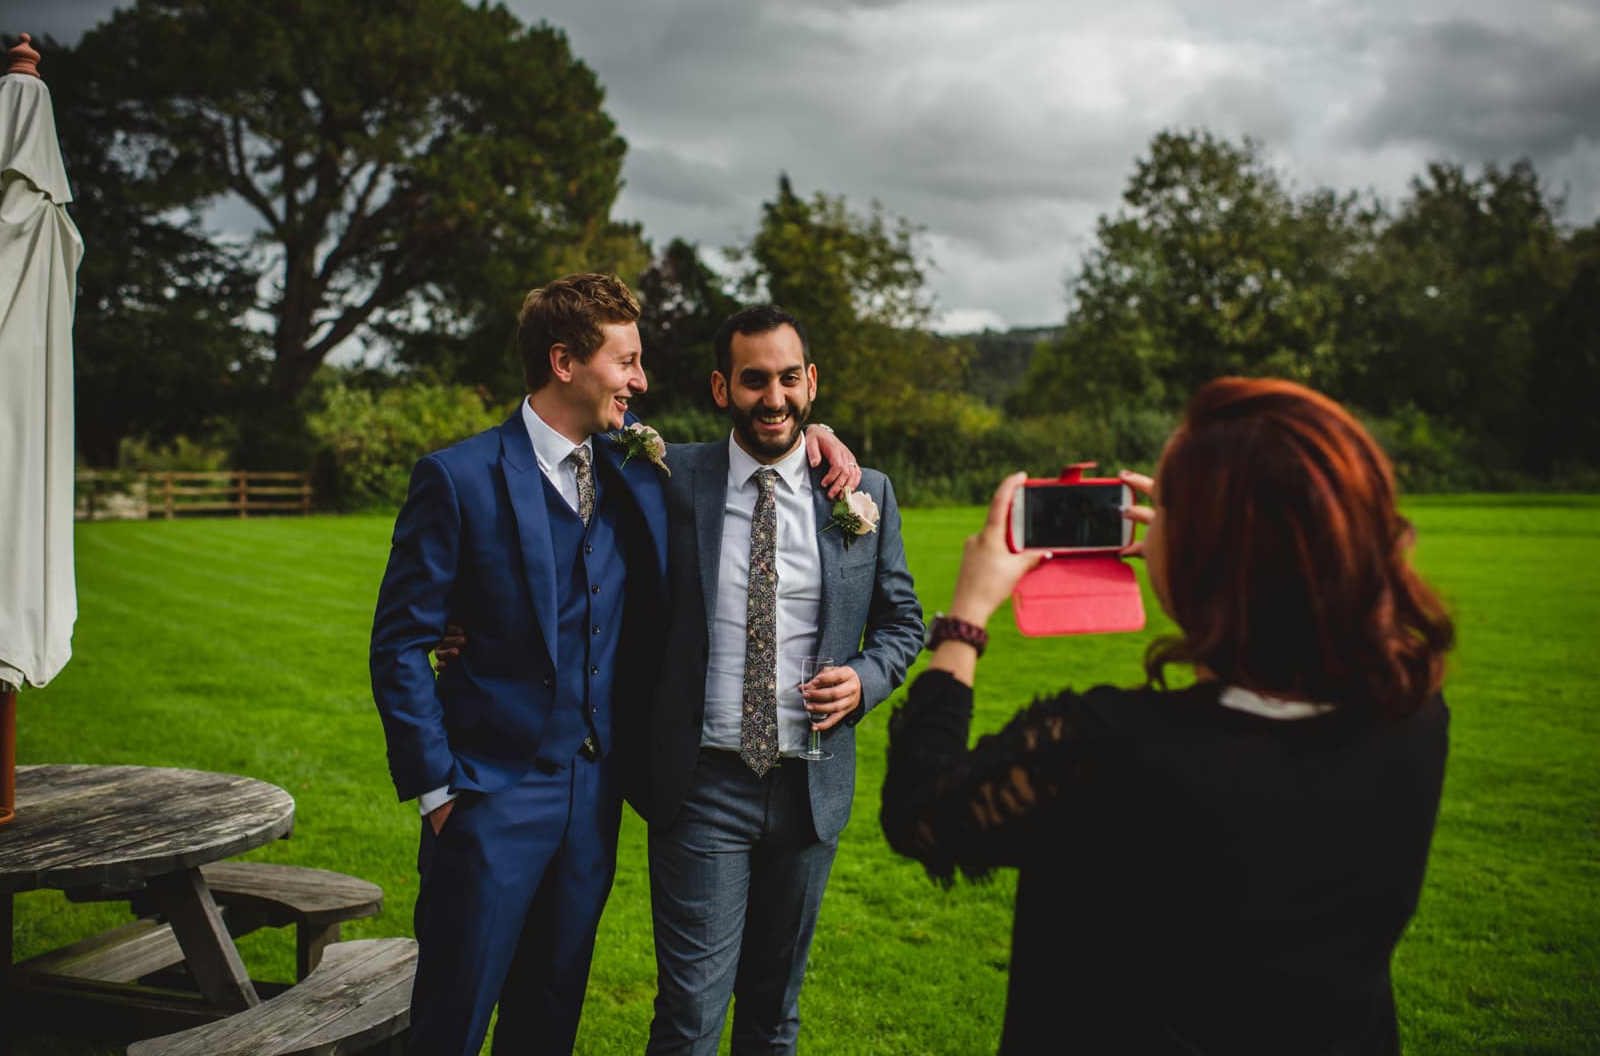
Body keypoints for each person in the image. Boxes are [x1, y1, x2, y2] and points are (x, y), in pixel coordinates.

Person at [881, 377, 1455, 1056]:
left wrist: (965, 620)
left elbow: (923, 811)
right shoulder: (1412, 715)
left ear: (1209, 556)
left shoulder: (1115, 748)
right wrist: (1202, 554)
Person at [368, 275, 855, 1055]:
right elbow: (397, 643)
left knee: (549, 1020)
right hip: (487, 796)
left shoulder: (638, 470)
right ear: (565, 362)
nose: (641, 379)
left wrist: (819, 434)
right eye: (627, 361)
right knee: (451, 1023)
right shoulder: (458, 478)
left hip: (594, 800)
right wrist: (437, 789)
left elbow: (764, 435)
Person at [643, 305, 925, 1055]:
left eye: (789, 378)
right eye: (754, 379)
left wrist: (866, 678)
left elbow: (903, 624)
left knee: (774, 1016)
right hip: (703, 787)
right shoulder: (671, 479)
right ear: (720, 386)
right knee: (691, 1016)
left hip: (810, 792)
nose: (774, 397)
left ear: (812, 381)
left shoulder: (864, 494)